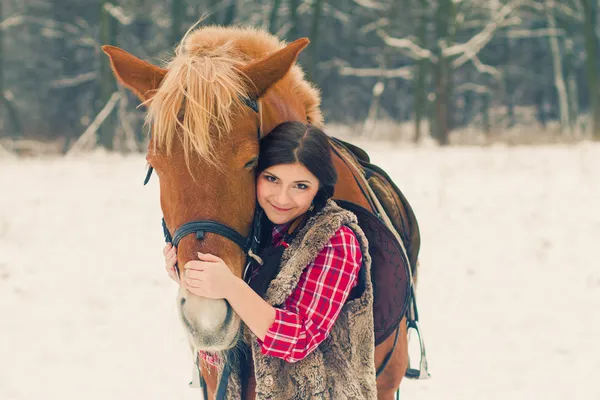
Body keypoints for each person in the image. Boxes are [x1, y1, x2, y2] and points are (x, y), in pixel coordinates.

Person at [163, 121, 377, 399]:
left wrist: (231, 287)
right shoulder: (251, 232)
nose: (282, 197)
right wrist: (198, 284)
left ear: (318, 189)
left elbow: (299, 339)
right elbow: (225, 349)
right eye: (272, 179)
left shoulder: (336, 240)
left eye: (300, 185)